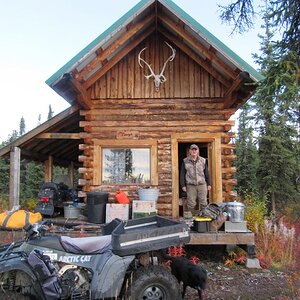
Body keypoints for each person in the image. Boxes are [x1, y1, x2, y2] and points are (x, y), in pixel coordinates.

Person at [180, 144, 211, 217]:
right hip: (190, 185)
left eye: (195, 149)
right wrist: (183, 185)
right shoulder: (185, 161)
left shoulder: (203, 160)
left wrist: (209, 184)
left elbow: (206, 173)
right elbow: (182, 174)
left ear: (198, 151)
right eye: (192, 149)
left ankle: (204, 217)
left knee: (203, 201)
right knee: (191, 203)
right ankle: (193, 217)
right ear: (190, 151)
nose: (194, 151)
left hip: (202, 184)